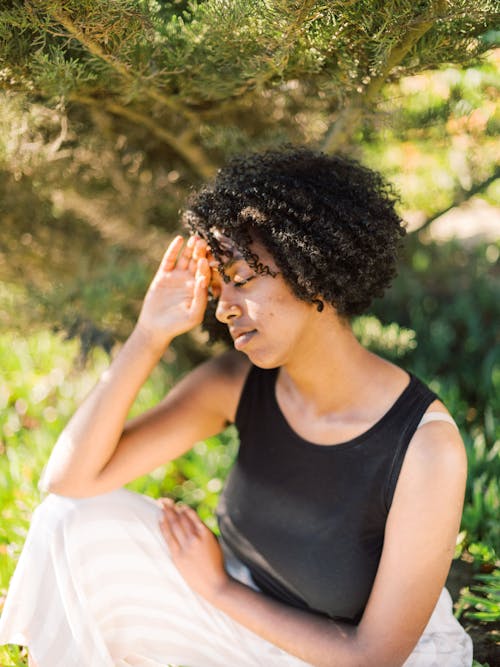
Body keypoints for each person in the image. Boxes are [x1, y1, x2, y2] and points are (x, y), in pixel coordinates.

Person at [0, 148, 472, 667]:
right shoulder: (237, 383)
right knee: (72, 519)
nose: (223, 308)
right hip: (248, 626)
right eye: (218, 287)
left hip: (355, 659)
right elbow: (68, 483)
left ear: (312, 272)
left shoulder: (426, 449)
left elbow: (374, 656)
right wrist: (149, 334)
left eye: (242, 280)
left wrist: (220, 588)